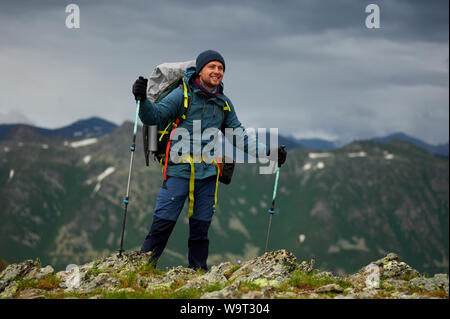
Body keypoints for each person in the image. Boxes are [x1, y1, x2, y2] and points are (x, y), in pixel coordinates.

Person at [132, 50, 287, 270]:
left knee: (200, 230)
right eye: (212, 67)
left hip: (208, 174)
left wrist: (269, 153)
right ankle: (140, 270)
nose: (217, 71)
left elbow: (239, 137)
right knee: (162, 224)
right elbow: (153, 117)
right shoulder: (182, 96)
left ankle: (198, 275)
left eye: (220, 68)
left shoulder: (223, 104)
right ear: (200, 70)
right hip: (179, 170)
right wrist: (142, 99)